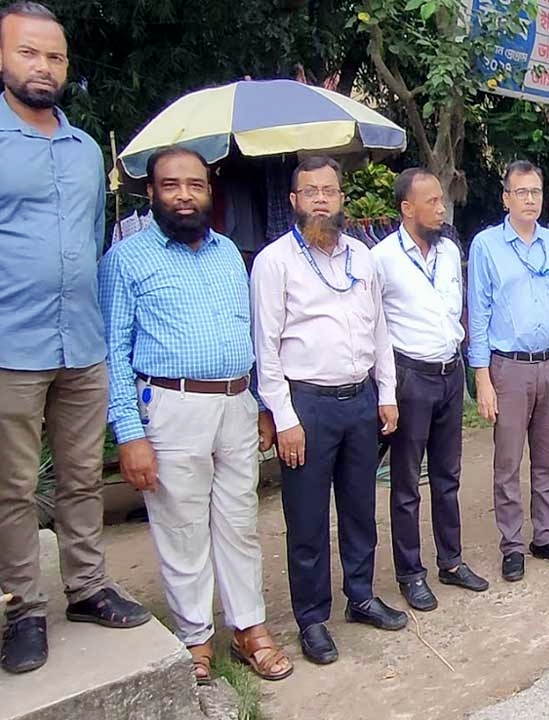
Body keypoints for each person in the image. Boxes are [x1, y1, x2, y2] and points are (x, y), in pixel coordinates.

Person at [99, 146, 291, 683]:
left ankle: (248, 627)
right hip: (171, 407)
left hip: (234, 404)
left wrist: (256, 402)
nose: (184, 195)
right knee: (181, 528)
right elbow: (113, 352)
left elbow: (244, 333)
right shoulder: (127, 260)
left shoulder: (229, 252)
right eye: (171, 185)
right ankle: (195, 638)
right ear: (151, 192)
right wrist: (129, 434)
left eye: (195, 185)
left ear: (210, 191)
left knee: (239, 525)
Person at [0, 2, 152, 676]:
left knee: (84, 475)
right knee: (11, 486)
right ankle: (23, 609)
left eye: (55, 56)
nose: (44, 66)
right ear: (4, 58)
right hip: (10, 344)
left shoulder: (88, 149)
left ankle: (88, 588)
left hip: (81, 343)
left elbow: (91, 239)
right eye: (29, 53)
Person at [252, 156, 405, 666]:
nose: (321, 198)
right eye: (311, 191)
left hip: (360, 400)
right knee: (308, 519)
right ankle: (312, 619)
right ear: (294, 200)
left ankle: (360, 595)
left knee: (361, 508)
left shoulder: (362, 258)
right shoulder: (275, 262)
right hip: (308, 407)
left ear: (342, 198)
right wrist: (285, 417)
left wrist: (386, 393)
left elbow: (379, 330)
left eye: (330, 190)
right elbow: (266, 348)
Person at [372, 169, 488, 613]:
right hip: (410, 377)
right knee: (405, 482)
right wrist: (386, 389)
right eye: (432, 202)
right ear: (407, 208)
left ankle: (451, 561)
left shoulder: (448, 250)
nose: (441, 209)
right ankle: (410, 573)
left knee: (448, 475)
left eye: (441, 201)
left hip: (448, 372)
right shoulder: (382, 259)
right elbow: (376, 328)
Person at [468, 160, 549, 582]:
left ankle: (545, 536)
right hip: (510, 368)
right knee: (508, 462)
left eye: (535, 191)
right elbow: (477, 314)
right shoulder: (486, 246)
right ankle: (513, 544)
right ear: (506, 198)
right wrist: (482, 378)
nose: (530, 199)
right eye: (521, 192)